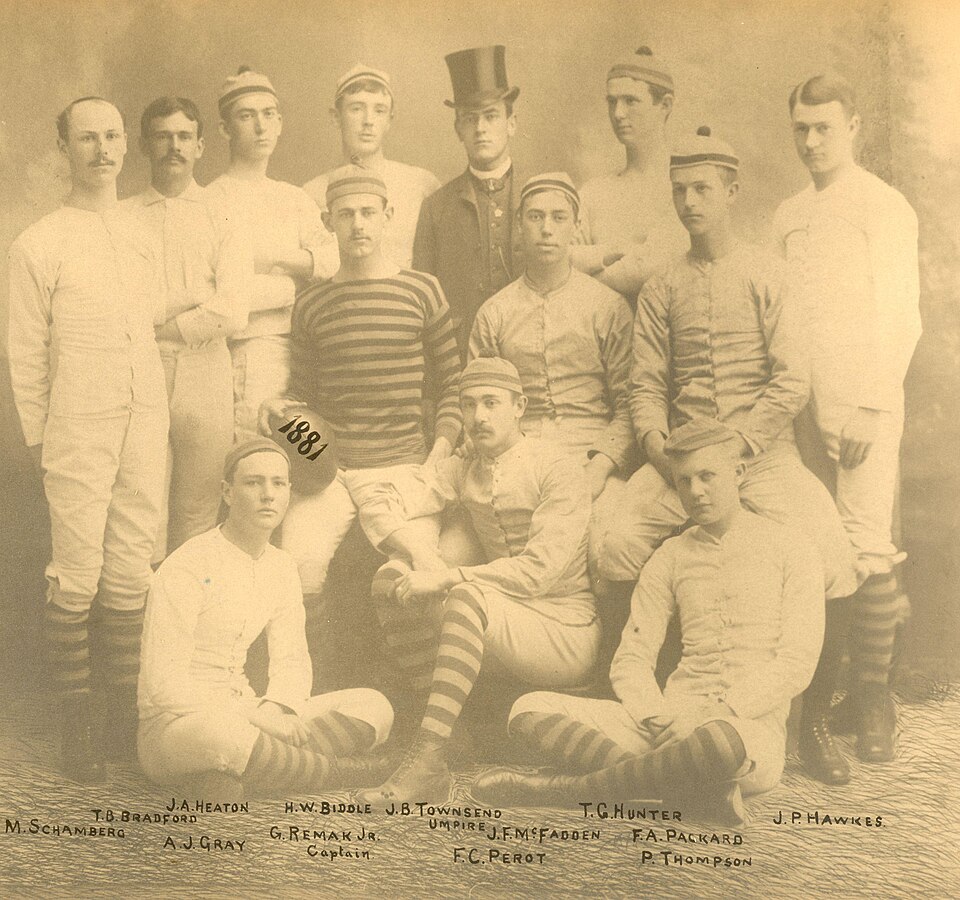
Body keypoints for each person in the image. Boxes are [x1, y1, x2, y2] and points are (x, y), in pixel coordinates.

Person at [597, 127, 859, 784]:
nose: (689, 201)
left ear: (731, 192)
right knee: (615, 539)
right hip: (679, 462)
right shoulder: (662, 287)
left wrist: (738, 443)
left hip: (761, 456)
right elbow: (645, 386)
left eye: (702, 189)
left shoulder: (769, 275)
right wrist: (661, 451)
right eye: (680, 189)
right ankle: (643, 703)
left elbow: (792, 378)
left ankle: (816, 724)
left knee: (829, 544)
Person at [471, 420, 825, 825]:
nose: (695, 492)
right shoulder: (670, 556)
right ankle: (688, 793)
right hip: (667, 726)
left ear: (739, 473)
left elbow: (796, 663)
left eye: (707, 476)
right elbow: (632, 659)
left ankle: (567, 792)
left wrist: (713, 713)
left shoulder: (793, 548)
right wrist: (654, 715)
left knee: (721, 743)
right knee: (529, 708)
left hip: (746, 731)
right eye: (684, 480)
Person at [355, 356, 601, 804]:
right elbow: (380, 497)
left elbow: (539, 572)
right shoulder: (466, 466)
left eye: (491, 403)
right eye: (468, 405)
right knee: (390, 579)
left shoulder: (557, 467)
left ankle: (428, 761)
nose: (478, 417)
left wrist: (446, 576)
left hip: (564, 629)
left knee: (464, 596)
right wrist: (419, 554)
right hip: (500, 617)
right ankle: (454, 736)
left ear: (519, 406)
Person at [7, 97, 168, 781]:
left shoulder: (141, 231)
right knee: (78, 572)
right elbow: (24, 355)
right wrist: (45, 441)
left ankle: (122, 719)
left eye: (111, 135)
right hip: (77, 420)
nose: (101, 150)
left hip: (144, 415)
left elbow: (160, 320)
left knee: (133, 566)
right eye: (86, 138)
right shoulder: (38, 242)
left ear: (126, 144)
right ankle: (76, 721)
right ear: (63, 147)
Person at [773, 73, 922, 765]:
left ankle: (873, 702)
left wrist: (868, 402)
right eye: (801, 128)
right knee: (818, 549)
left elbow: (901, 315)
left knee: (865, 547)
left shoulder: (883, 207)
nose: (811, 141)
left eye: (824, 128)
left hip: (865, 401)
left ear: (854, 126)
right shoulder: (788, 214)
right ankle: (819, 704)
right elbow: (783, 321)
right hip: (805, 405)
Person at [258, 167, 461, 672]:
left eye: (369, 212)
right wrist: (281, 416)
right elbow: (302, 397)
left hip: (401, 467)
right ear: (329, 222)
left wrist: (438, 451)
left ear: (389, 217)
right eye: (346, 215)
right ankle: (314, 684)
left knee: (415, 564)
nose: (358, 225)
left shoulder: (422, 290)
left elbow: (452, 385)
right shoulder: (314, 303)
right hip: (332, 469)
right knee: (299, 564)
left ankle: (421, 699)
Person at [138, 439, 394, 797]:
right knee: (225, 736)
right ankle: (346, 774)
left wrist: (279, 710)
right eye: (253, 482)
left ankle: (249, 772)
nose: (268, 494)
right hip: (179, 724)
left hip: (254, 713)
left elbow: (291, 660)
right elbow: (163, 688)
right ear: (227, 493)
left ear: (290, 491)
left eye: (278, 483)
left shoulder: (282, 566)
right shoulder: (187, 565)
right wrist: (255, 716)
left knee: (373, 705)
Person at [469, 172, 634, 582]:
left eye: (559, 218)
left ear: (575, 227)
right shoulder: (496, 312)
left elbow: (631, 404)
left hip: (592, 450)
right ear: (518, 226)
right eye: (535, 217)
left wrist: (598, 470)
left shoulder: (606, 307)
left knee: (606, 548)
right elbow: (478, 402)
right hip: (518, 450)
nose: (546, 229)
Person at [122, 96, 250, 552]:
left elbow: (233, 310)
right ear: (143, 145)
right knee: (142, 511)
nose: (173, 146)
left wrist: (158, 324)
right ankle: (141, 622)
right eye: (162, 136)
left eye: (183, 137)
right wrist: (194, 299)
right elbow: (120, 311)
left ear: (200, 146)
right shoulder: (120, 218)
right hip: (141, 373)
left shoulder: (224, 215)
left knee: (197, 513)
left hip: (205, 374)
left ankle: (185, 619)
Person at [205, 66, 334, 440]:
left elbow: (331, 260)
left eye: (268, 115)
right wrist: (291, 288)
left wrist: (279, 257)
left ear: (279, 123)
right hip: (247, 351)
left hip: (301, 354)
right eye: (246, 116)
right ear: (225, 130)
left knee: (302, 461)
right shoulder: (211, 199)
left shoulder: (293, 197)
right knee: (254, 454)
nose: (260, 127)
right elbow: (222, 294)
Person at [413, 45, 524, 355]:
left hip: (529, 354)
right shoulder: (435, 208)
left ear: (511, 124)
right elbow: (424, 306)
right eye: (469, 119)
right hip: (461, 358)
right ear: (457, 129)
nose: (480, 129)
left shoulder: (538, 197)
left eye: (491, 116)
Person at [570, 47, 688, 301]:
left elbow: (657, 268)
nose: (618, 113)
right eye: (612, 102)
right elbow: (563, 266)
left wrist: (593, 272)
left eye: (630, 101)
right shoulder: (593, 193)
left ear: (665, 105)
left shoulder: (686, 186)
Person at [303, 64, 440, 269]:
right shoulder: (312, 194)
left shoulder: (421, 185)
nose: (368, 121)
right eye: (356, 109)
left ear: (389, 120)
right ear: (336, 117)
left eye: (379, 110)